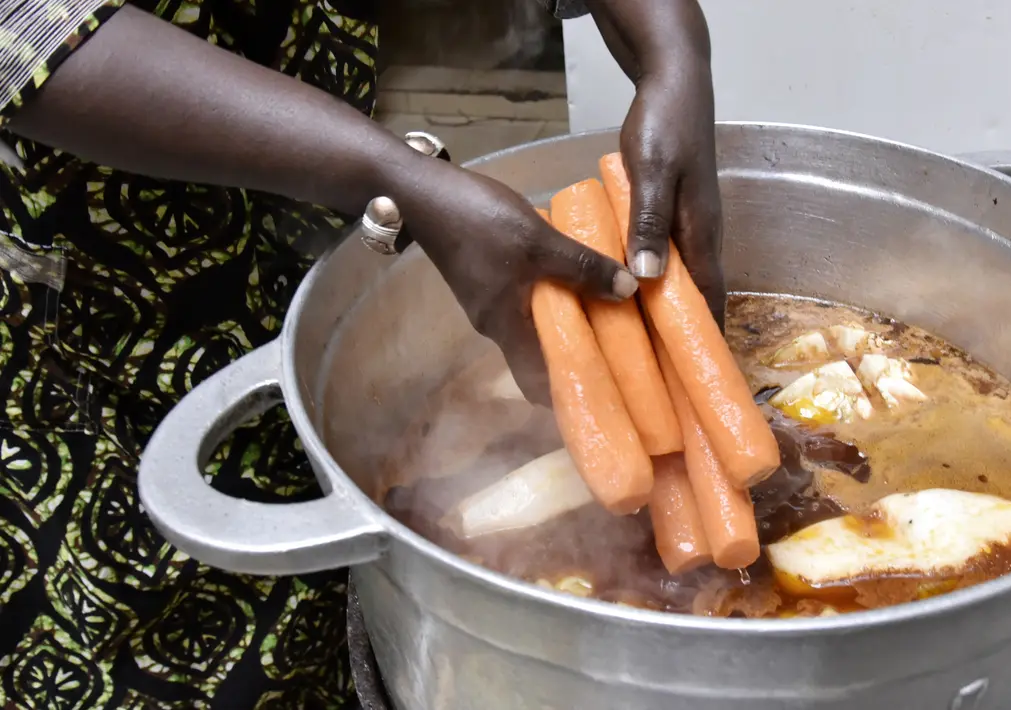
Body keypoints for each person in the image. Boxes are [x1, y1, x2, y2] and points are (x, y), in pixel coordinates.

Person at [0, 0, 721, 706]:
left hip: (311, 200)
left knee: (353, 591)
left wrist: (674, 51)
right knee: (183, 648)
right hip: (115, 308)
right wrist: (395, 175)